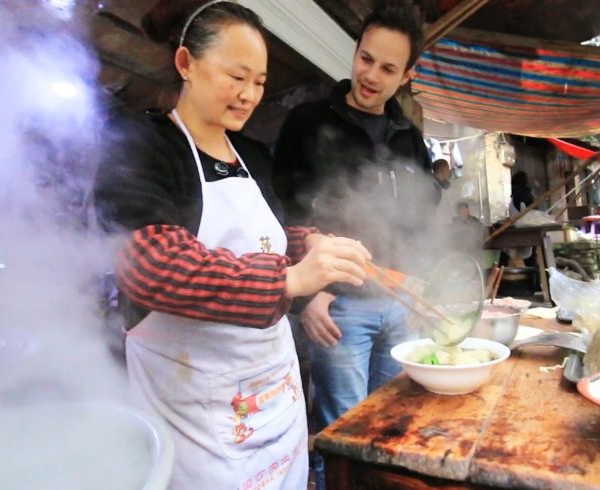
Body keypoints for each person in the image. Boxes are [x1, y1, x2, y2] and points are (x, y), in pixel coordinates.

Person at [92, 2, 372, 488]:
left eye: (260, 82)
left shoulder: (254, 158)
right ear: (186, 64)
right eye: (236, 76)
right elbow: (150, 264)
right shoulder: (144, 145)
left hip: (276, 403)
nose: (249, 95)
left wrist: (316, 248)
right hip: (197, 421)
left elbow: (275, 240)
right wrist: (289, 278)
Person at [271, 1, 433, 484]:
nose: (370, 76)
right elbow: (282, 213)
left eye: (387, 68)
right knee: (345, 437)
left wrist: (422, 277)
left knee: (391, 428)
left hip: (400, 303)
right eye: (365, 58)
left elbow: (422, 217)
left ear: (407, 75)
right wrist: (308, 295)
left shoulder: (409, 136)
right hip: (338, 307)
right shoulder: (308, 121)